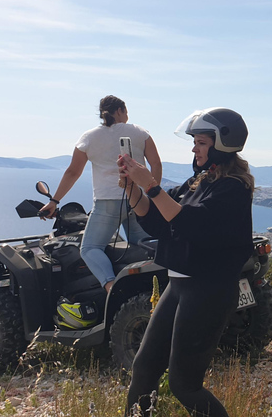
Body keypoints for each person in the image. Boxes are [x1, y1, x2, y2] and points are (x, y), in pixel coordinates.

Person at [117, 107, 254, 417]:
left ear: (222, 144)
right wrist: (134, 189)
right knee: (144, 368)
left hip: (208, 290)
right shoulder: (198, 182)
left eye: (201, 142)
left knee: (184, 384)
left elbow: (190, 223)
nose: (194, 148)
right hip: (180, 286)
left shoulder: (232, 189)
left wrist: (151, 184)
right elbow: (159, 222)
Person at [39, 95, 162, 293]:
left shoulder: (89, 137)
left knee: (90, 249)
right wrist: (153, 194)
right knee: (144, 246)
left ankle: (112, 288)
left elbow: (73, 172)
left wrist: (54, 201)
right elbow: (156, 164)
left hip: (107, 204)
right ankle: (150, 286)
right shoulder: (140, 132)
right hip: (138, 200)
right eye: (126, 111)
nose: (127, 116)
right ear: (120, 111)